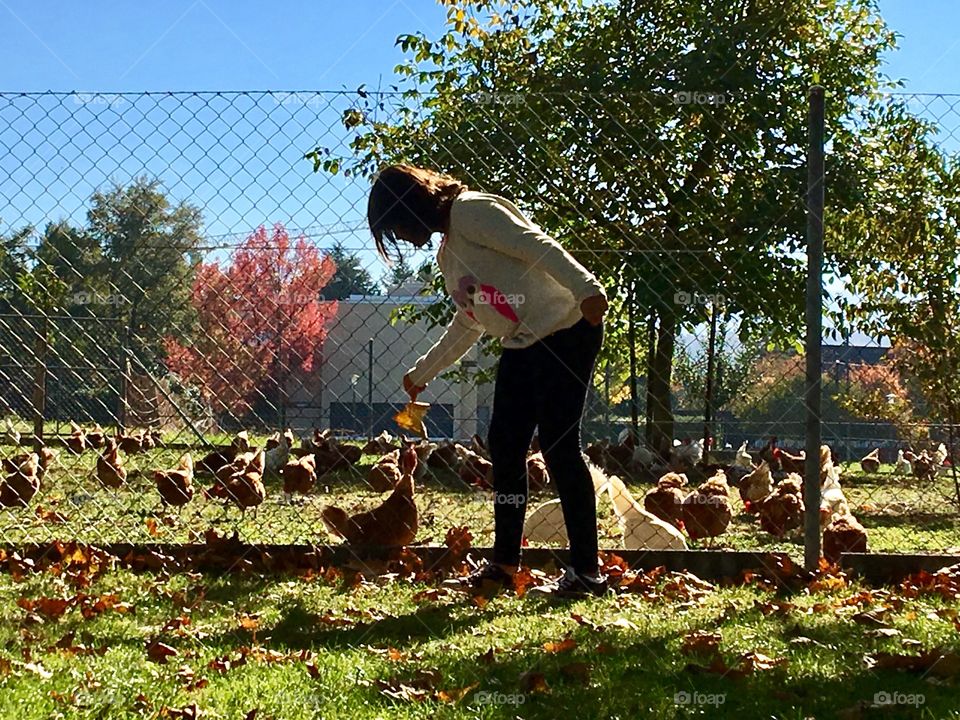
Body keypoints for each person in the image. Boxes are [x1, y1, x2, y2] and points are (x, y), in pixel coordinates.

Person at [367, 164, 609, 598]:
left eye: (397, 226)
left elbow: (535, 244)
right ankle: (504, 565)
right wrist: (422, 372)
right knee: (505, 445)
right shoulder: (448, 255)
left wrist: (587, 288)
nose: (401, 237)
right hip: (522, 342)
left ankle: (586, 574)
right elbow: (470, 320)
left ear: (411, 206)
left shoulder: (472, 211)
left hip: (567, 328)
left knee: (559, 447)